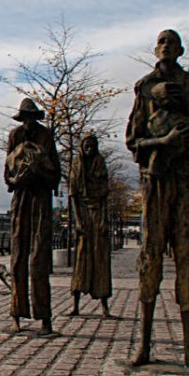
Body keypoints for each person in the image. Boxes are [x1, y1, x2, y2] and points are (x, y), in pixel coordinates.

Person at [125, 29, 189, 372]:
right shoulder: (143, 87)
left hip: (185, 181)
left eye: (171, 43)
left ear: (180, 50)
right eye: (161, 42)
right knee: (150, 256)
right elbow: (134, 140)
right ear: (155, 48)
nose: (165, 48)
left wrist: (187, 128)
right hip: (155, 181)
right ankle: (144, 345)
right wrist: (164, 140)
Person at [4, 98, 61, 336]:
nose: (28, 123)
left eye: (31, 118)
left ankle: (44, 316)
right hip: (21, 198)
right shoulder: (14, 136)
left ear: (35, 118)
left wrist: (38, 171)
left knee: (38, 259)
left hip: (40, 198)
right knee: (18, 257)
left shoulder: (46, 136)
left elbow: (55, 173)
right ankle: (17, 313)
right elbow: (8, 174)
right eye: (24, 118)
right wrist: (16, 180)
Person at [68, 134, 112, 317]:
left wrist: (103, 220)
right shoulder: (76, 165)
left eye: (93, 145)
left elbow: (104, 198)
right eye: (87, 145)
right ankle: (75, 304)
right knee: (81, 258)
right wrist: (78, 220)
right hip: (83, 214)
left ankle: (104, 305)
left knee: (101, 259)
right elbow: (74, 196)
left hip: (97, 214)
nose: (90, 148)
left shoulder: (100, 163)